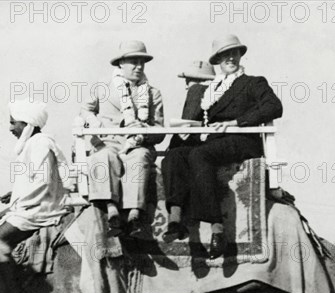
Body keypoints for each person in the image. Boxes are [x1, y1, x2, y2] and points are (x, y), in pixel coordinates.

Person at [163, 35, 283, 258]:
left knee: (200, 155)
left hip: (242, 141)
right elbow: (201, 120)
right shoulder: (210, 89)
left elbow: (274, 106)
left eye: (234, 53)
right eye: (224, 54)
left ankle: (217, 229)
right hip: (216, 142)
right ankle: (175, 218)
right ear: (217, 60)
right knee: (176, 156)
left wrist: (236, 122)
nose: (230, 57)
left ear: (240, 55)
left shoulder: (253, 82)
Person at [80, 40, 164, 237]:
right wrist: (95, 122)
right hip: (108, 141)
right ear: (121, 64)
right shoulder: (103, 87)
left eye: (142, 62)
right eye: (133, 62)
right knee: (103, 157)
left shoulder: (153, 93)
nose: (139, 67)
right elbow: (85, 109)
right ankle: (111, 209)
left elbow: (160, 131)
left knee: (139, 158)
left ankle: (134, 213)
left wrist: (143, 130)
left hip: (137, 143)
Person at [0, 100, 70, 248]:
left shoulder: (40, 143)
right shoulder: (33, 143)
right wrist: (14, 194)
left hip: (41, 211)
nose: (10, 128)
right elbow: (34, 180)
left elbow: (43, 184)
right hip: (32, 208)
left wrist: (14, 207)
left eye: (13, 123)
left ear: (26, 123)